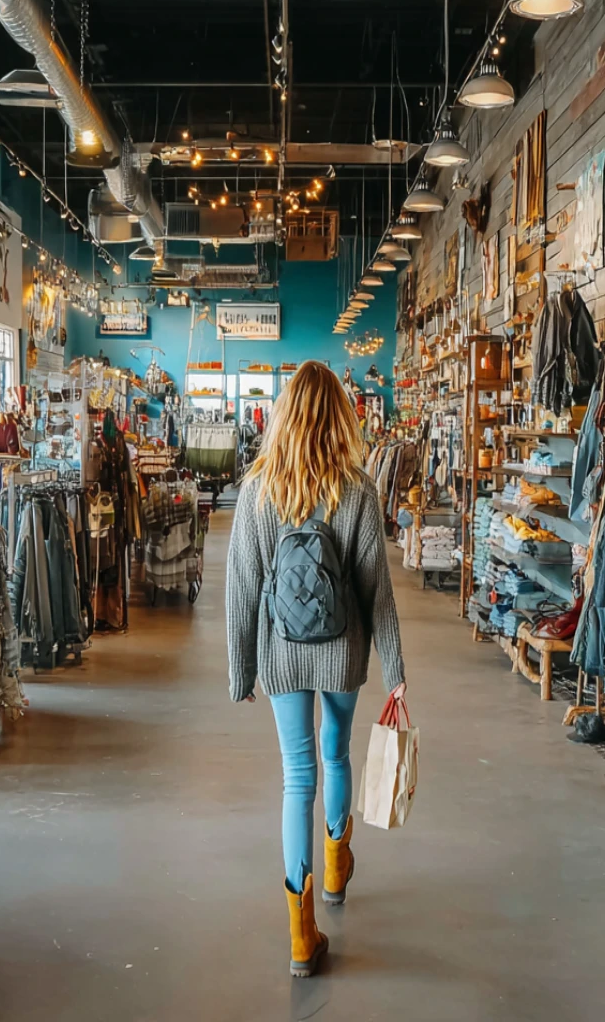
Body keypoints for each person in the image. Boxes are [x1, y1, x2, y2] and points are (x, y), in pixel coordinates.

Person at [226, 360, 406, 978]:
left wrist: (238, 668)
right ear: (340, 417)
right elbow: (374, 591)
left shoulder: (257, 489)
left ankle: (302, 938)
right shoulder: (356, 488)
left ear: (282, 416)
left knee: (295, 778)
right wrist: (397, 667)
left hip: (279, 653)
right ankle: (336, 870)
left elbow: (242, 585)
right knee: (336, 755)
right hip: (343, 654)